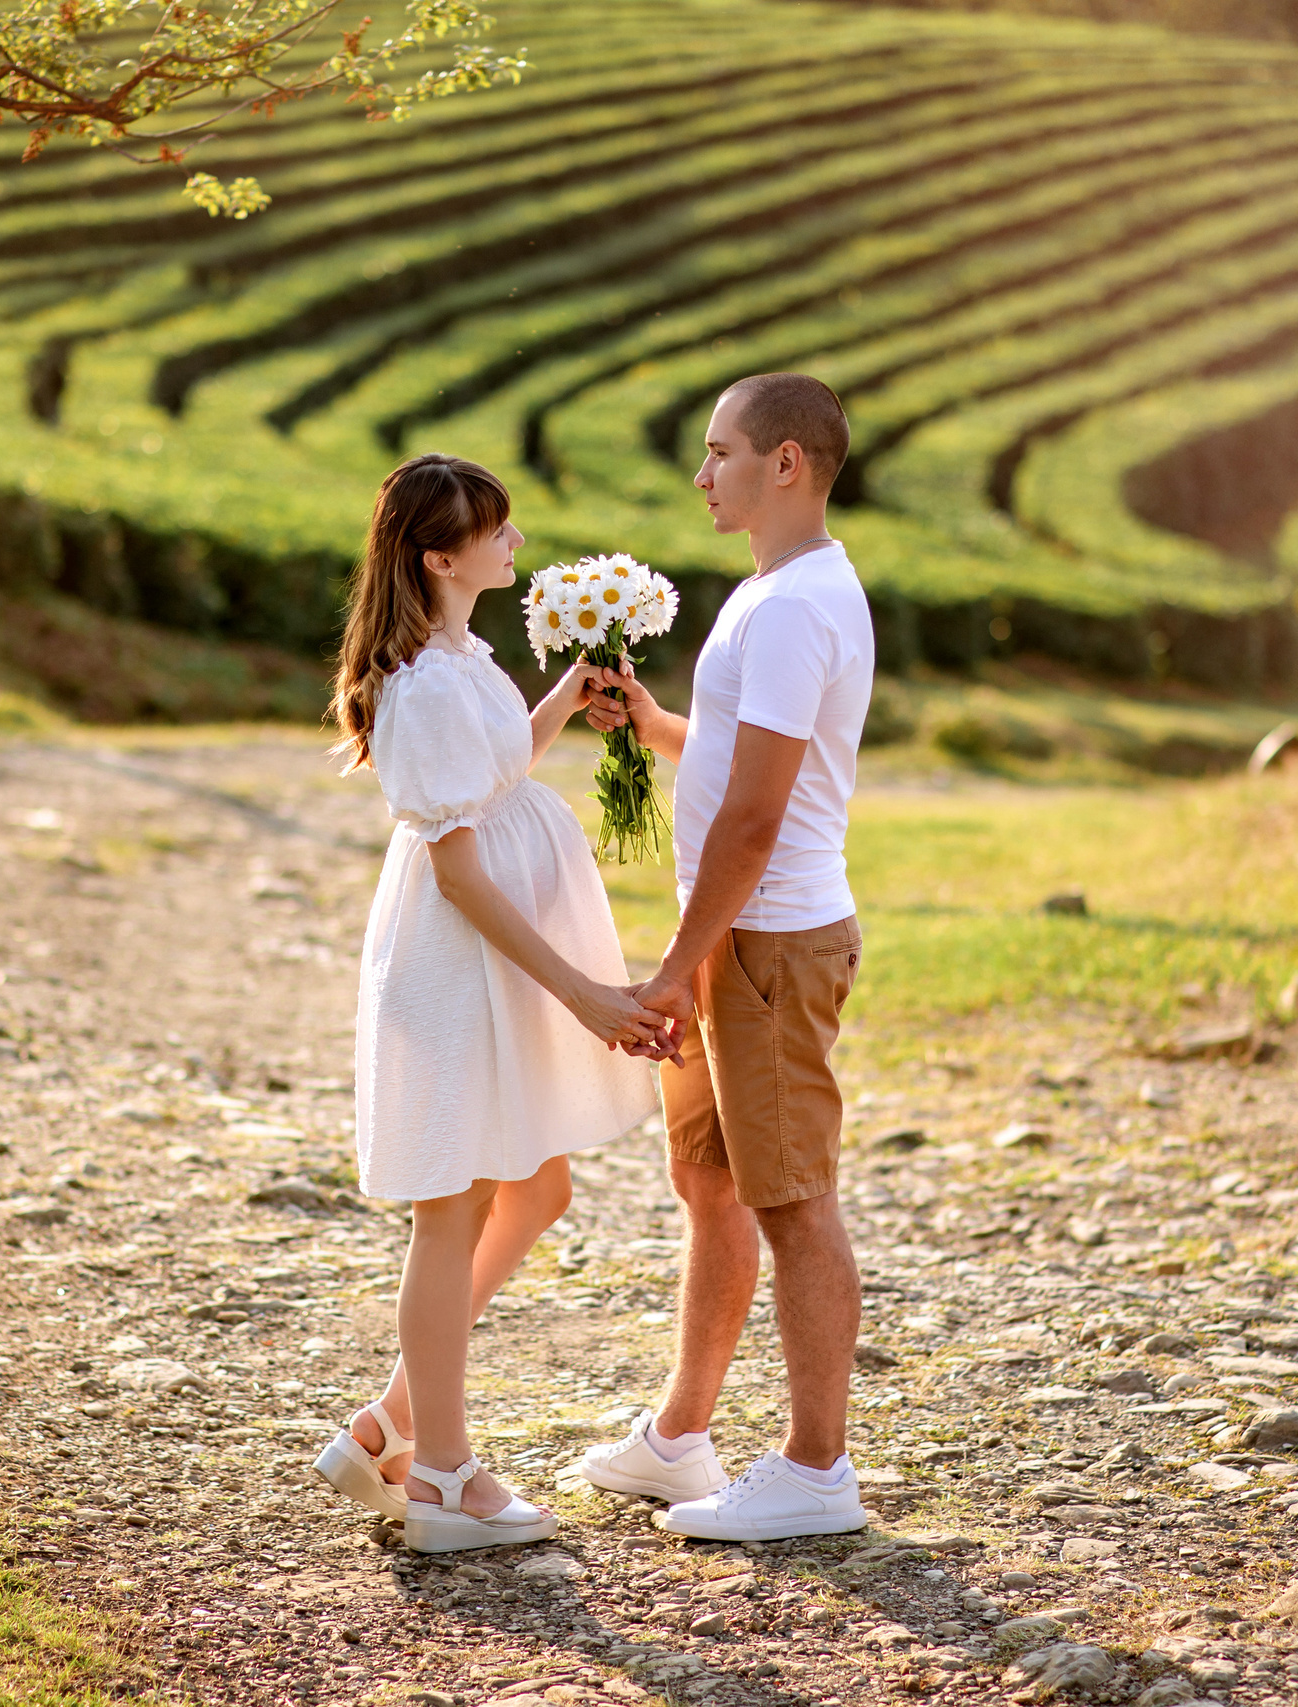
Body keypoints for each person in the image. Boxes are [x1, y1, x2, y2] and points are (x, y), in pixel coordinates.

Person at [312, 452, 670, 1554]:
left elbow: (498, 769)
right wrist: (582, 995)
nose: (515, 544)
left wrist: (568, 695)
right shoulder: (416, 686)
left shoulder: (460, 655)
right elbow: (461, 872)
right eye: (496, 530)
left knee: (537, 1188)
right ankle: (441, 1480)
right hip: (462, 961)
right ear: (439, 555)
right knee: (456, 1205)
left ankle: (388, 1423)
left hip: (497, 955)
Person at [574, 373, 877, 1542]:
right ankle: (679, 1439)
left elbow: (756, 818)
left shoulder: (798, 605)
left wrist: (672, 969)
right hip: (732, 944)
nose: (701, 476)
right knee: (708, 1184)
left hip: (767, 944)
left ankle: (815, 1470)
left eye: (719, 453)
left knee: (791, 1199)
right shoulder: (775, 592)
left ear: (786, 464)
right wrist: (654, 726)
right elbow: (744, 757)